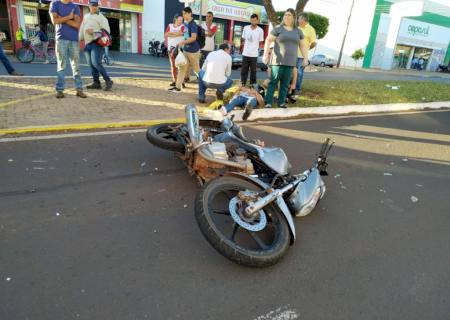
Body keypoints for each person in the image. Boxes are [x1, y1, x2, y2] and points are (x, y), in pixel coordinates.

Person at [262, 8, 309, 108]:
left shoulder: (298, 31)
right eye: (285, 15)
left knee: (285, 84)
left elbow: (303, 45)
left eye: (289, 15)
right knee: (273, 82)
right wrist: (265, 54)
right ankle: (268, 102)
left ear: (294, 18)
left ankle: (281, 102)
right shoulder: (278, 28)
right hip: (277, 61)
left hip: (290, 62)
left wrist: (305, 58)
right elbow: (268, 40)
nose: (287, 17)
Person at [50, 0, 86, 99]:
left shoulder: (75, 7)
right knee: (61, 65)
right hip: (61, 39)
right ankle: (60, 90)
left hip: (74, 40)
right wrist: (70, 17)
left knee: (76, 66)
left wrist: (61, 18)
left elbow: (77, 25)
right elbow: (55, 21)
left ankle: (79, 90)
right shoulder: (55, 4)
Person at [79, 0, 113, 91]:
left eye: (96, 5)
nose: (94, 7)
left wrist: (93, 32)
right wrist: (78, 39)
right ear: (89, 6)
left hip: (96, 43)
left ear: (98, 6)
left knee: (96, 63)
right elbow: (82, 29)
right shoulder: (86, 16)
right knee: (91, 64)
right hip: (87, 44)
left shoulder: (102, 18)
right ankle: (96, 83)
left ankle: (108, 80)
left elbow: (106, 32)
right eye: (92, 5)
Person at [169, 6, 200, 93]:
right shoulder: (186, 24)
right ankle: (177, 87)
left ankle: (203, 86)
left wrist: (183, 42)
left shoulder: (193, 24)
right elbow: (186, 35)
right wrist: (182, 42)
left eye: (185, 13)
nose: (183, 15)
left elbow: (193, 38)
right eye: (183, 14)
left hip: (193, 51)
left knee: (197, 70)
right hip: (186, 50)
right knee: (182, 68)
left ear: (190, 13)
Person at [290, 13, 316, 96]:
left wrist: (307, 49)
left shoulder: (311, 29)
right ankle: (291, 87)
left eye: (299, 19)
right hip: (293, 54)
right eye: (298, 19)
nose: (298, 20)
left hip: (302, 56)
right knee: (291, 71)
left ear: (304, 20)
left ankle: (297, 89)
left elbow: (313, 43)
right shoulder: (296, 28)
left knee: (299, 72)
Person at [240, 14, 264, 86]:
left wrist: (255, 47)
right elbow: (243, 39)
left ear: (257, 21)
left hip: (254, 54)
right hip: (245, 53)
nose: (253, 22)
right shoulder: (246, 28)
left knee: (253, 71)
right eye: (252, 20)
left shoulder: (260, 30)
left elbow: (261, 42)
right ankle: (242, 84)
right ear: (250, 20)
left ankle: (252, 85)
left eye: (255, 20)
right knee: (244, 70)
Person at [165, 14, 185, 88]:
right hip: (171, 49)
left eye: (181, 20)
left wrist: (171, 34)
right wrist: (177, 34)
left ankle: (181, 81)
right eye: (179, 20)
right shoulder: (170, 25)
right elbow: (166, 34)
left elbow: (181, 33)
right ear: (175, 19)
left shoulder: (183, 26)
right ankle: (174, 80)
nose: (181, 21)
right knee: (173, 66)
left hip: (179, 49)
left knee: (180, 66)